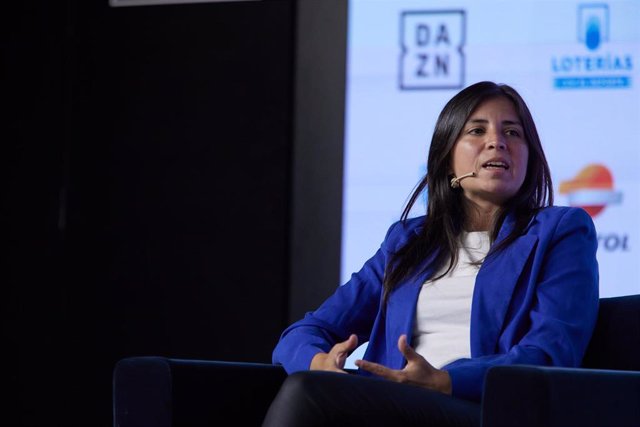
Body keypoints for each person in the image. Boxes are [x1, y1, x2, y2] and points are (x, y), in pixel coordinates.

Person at [262, 81, 599, 427]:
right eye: (477, 130)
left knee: (309, 395)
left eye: (513, 132)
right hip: (391, 405)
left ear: (530, 155)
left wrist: (445, 380)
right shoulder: (409, 241)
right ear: (448, 158)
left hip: (481, 409)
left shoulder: (561, 231)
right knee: (307, 383)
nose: (497, 141)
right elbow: (306, 331)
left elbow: (550, 354)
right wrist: (318, 363)